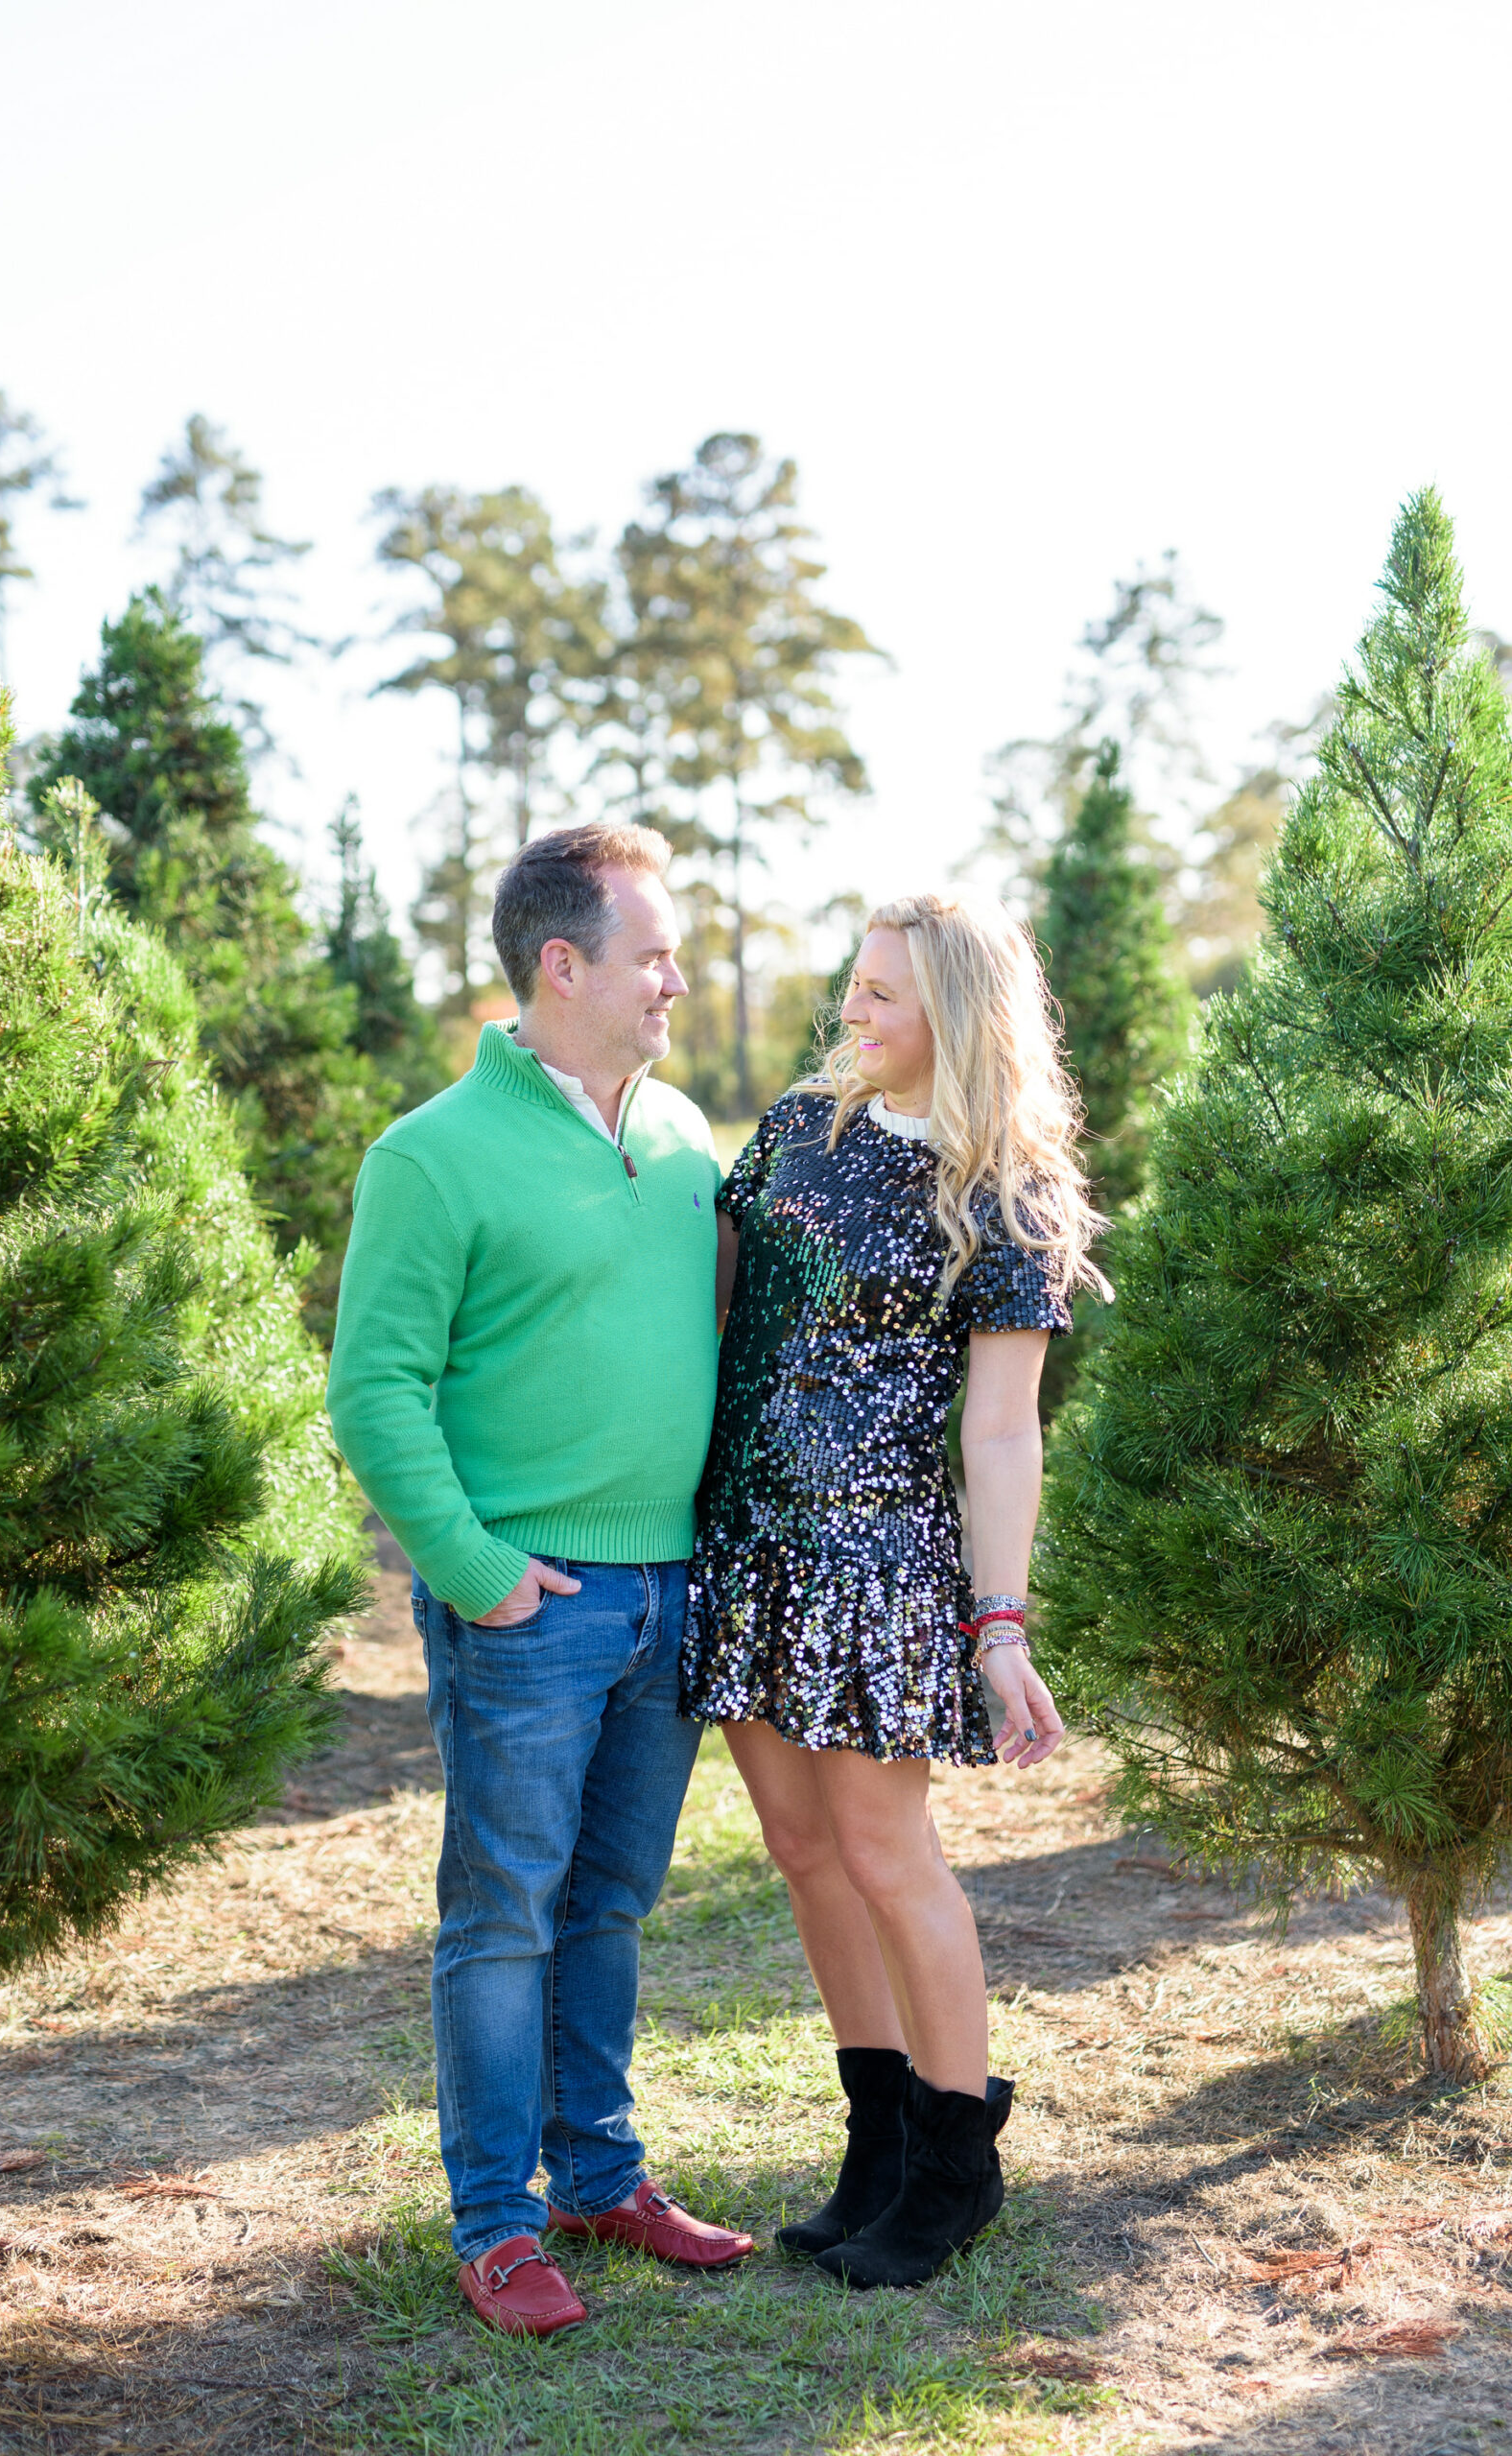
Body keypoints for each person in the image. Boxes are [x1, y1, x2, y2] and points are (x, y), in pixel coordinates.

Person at [327, 822, 754, 2338]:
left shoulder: (688, 1130)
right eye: (651, 953)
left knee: (612, 1904)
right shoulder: (431, 1155)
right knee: (502, 1912)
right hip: (532, 1603)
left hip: (669, 1591)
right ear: (559, 965)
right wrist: (474, 1567)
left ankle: (597, 2175)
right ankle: (498, 2226)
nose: (675, 979)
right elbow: (374, 1389)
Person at [682, 890, 1107, 2289]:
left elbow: (998, 1429)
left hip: (878, 1564)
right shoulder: (799, 1129)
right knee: (803, 1855)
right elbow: (717, 1309)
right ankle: (873, 2141)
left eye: (880, 995)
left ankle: (953, 2166)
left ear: (957, 1018)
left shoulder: (1003, 1187)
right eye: (851, 986)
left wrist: (999, 1626)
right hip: (748, 1546)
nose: (848, 1014)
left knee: (884, 1856)